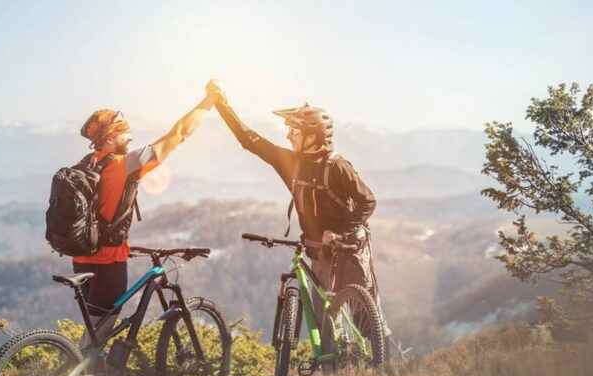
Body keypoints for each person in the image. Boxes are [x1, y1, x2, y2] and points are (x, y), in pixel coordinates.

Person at [207, 81, 391, 337]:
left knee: (365, 321)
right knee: (324, 324)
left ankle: (379, 370)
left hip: (349, 249)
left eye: (294, 131)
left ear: (312, 135)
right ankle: (335, 373)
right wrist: (221, 105)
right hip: (320, 252)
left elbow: (367, 201)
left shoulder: (337, 167)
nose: (288, 136)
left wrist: (340, 234)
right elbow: (250, 140)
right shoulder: (291, 163)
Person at [73, 84, 217, 347]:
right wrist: (207, 103)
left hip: (81, 258)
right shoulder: (125, 165)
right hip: (108, 263)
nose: (129, 138)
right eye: (123, 133)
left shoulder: (86, 164)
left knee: (95, 329)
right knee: (98, 336)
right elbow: (179, 134)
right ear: (109, 138)